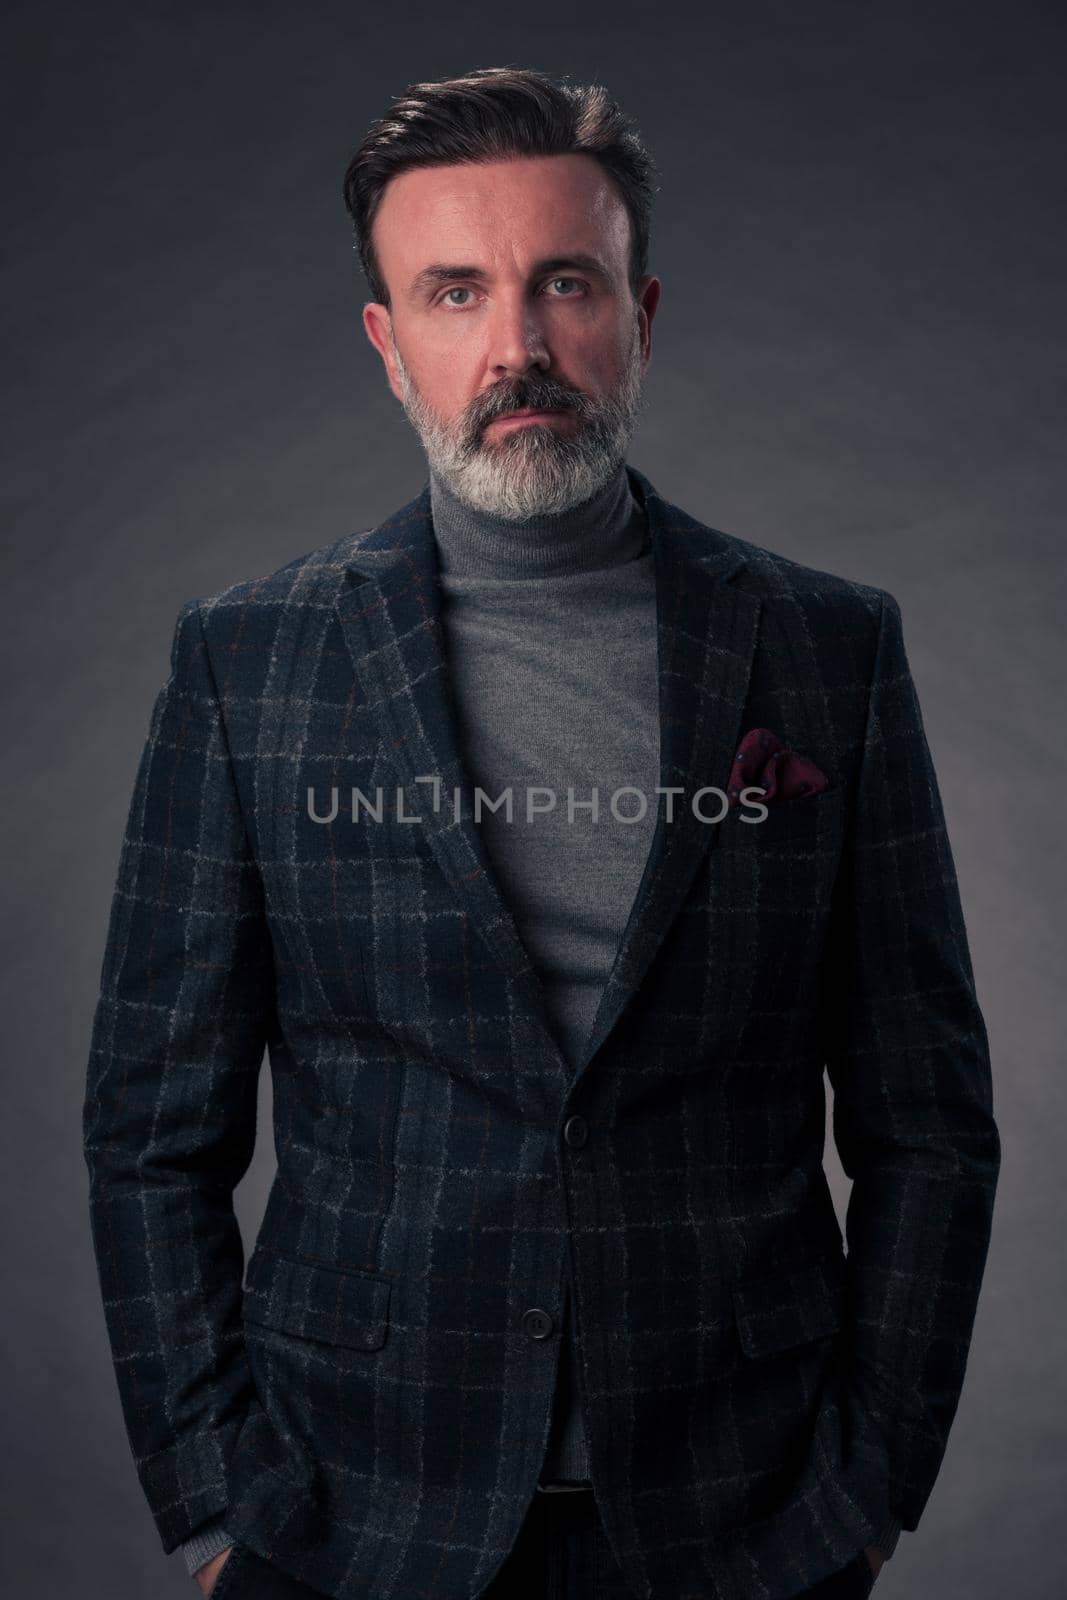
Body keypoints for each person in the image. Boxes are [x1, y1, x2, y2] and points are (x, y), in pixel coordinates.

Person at [82, 66, 1000, 1600]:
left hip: (743, 1518)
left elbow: (930, 1121)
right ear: (389, 344)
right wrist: (216, 1510)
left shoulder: (827, 650)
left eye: (561, 283)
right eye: (453, 293)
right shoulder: (249, 664)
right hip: (347, 1515)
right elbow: (149, 1137)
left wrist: (869, 1489)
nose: (515, 346)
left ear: (639, 311)